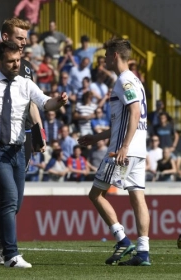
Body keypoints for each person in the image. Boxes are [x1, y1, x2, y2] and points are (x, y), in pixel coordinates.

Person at [0, 41, 68, 268]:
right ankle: (11, 254)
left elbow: (46, 104)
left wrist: (59, 102)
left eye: (18, 60)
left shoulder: (25, 84)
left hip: (18, 151)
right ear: (0, 62)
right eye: (11, 61)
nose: (16, 64)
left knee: (13, 203)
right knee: (10, 199)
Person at [0, 17, 45, 264]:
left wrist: (38, 131)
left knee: (15, 202)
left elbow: (31, 102)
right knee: (9, 199)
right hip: (0, 140)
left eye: (26, 38)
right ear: (6, 38)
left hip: (23, 138)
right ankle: (1, 246)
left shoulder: (24, 67)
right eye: (19, 38)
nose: (24, 43)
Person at [78, 38, 151, 266]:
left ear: (116, 56)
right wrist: (96, 137)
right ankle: (143, 252)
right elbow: (125, 119)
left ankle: (121, 239)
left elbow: (135, 111)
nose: (105, 60)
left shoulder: (124, 80)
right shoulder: (136, 81)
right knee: (137, 197)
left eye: (107, 56)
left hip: (123, 152)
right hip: (138, 149)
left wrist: (124, 146)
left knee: (96, 194)